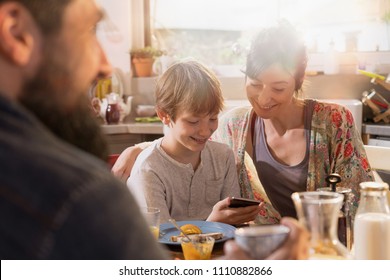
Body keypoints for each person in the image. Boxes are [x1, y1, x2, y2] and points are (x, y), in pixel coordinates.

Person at [0, 0, 308, 259]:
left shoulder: (224, 144)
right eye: (86, 31)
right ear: (17, 34)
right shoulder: (83, 201)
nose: (106, 65)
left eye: (211, 118)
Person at [113, 21, 373, 225]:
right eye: (255, 84)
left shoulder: (334, 122)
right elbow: (186, 137)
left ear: (297, 81)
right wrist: (139, 149)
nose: (263, 98)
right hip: (259, 255)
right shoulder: (233, 126)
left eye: (278, 88)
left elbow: (362, 204)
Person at [127, 61, 260, 225]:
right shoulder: (149, 169)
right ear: (164, 115)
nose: (205, 131)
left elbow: (233, 223)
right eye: (193, 121)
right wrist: (211, 224)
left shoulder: (223, 156)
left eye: (212, 118)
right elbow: (159, 238)